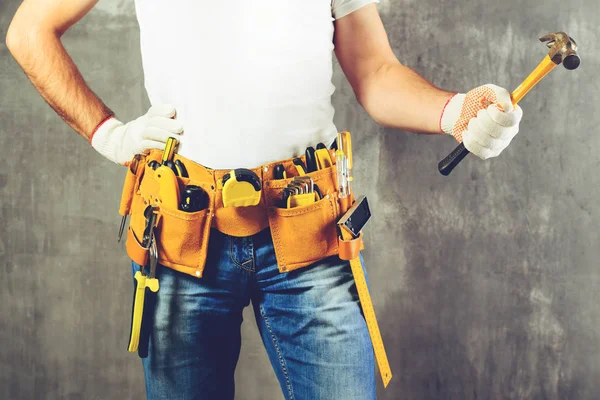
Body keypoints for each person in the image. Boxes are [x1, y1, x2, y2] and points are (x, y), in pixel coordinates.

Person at [6, 0, 522, 399]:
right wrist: (108, 134)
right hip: (186, 236)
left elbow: (375, 71)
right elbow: (29, 32)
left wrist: (455, 110)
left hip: (310, 233)